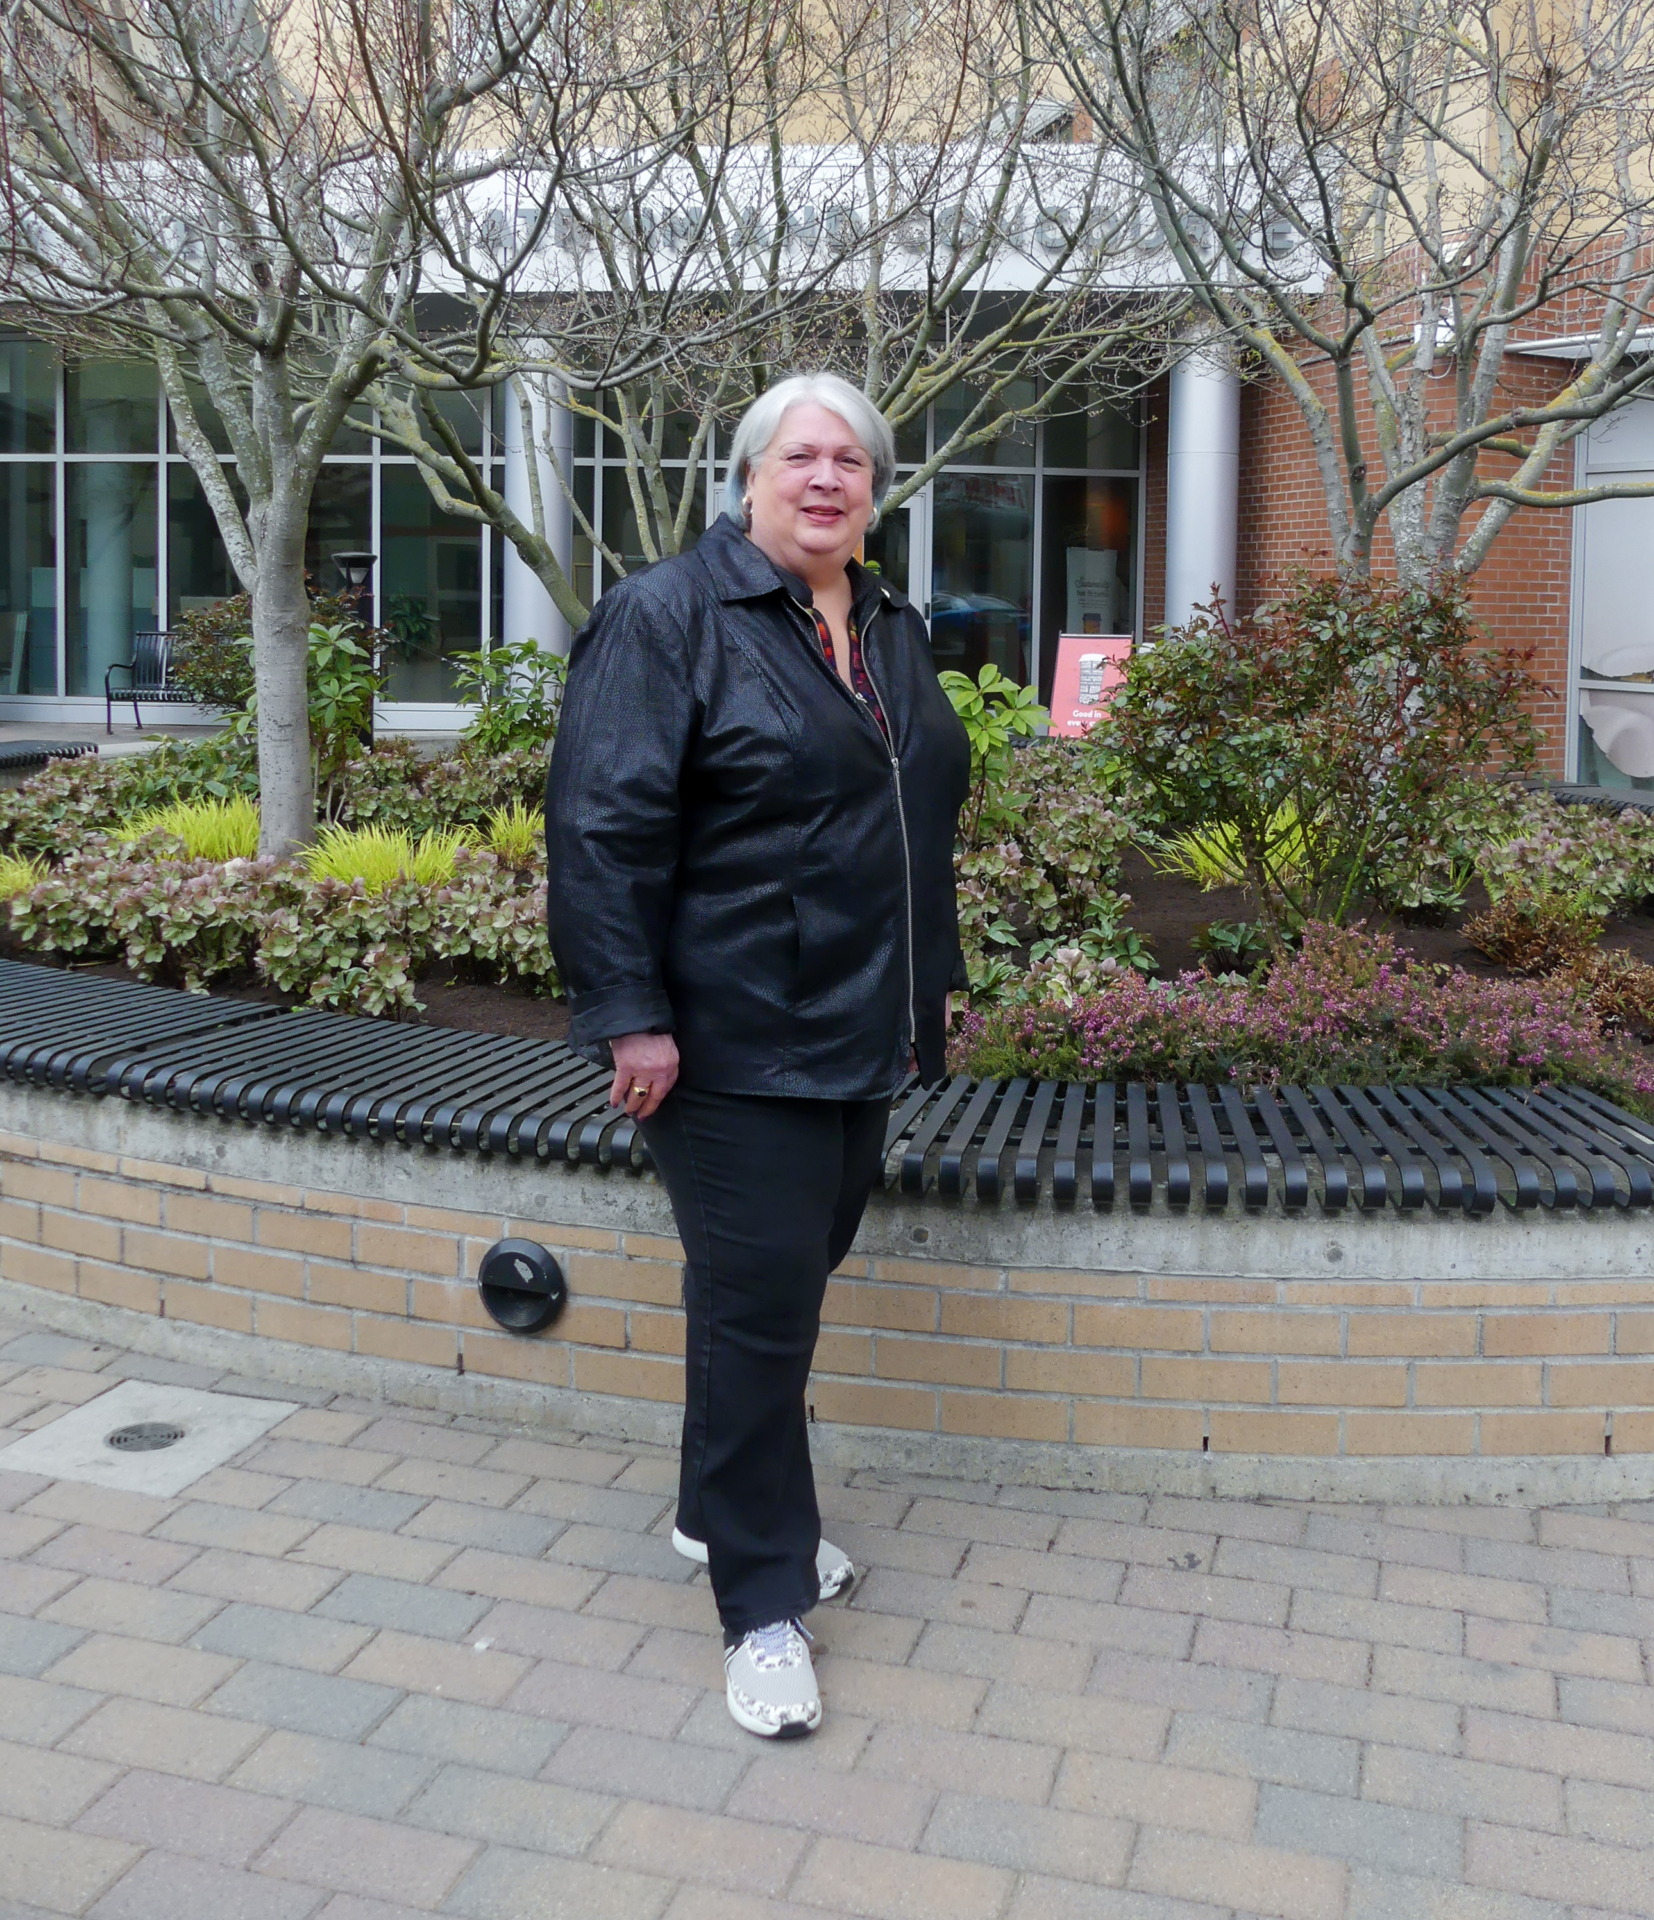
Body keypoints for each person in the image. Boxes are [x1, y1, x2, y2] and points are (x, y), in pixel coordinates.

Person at [545, 372, 970, 1738]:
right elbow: (602, 834)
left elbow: (903, 819)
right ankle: (761, 1599)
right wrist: (629, 1013)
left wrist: (922, 999)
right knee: (760, 1306)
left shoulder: (885, 620)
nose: (828, 478)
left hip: (861, 1026)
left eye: (851, 460)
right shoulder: (667, 619)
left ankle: (714, 1510)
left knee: (777, 1287)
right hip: (727, 1041)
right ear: (749, 474)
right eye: (803, 456)